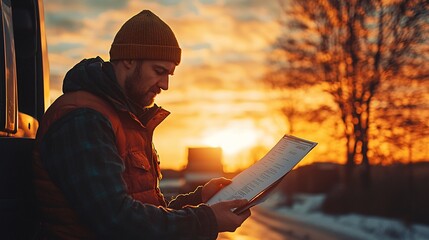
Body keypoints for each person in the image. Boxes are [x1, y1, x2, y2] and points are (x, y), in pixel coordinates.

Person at [33, 10, 250, 239]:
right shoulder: (83, 120)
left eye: (170, 74)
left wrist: (200, 199)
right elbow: (117, 221)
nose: (165, 85)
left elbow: (144, 212)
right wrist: (207, 219)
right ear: (128, 59)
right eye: (159, 71)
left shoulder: (124, 118)